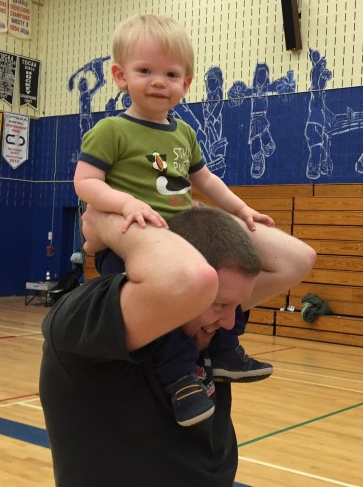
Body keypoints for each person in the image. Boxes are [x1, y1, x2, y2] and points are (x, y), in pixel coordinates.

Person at [73, 13, 276, 427]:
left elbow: (205, 179)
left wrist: (240, 209)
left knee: (230, 277)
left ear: (187, 82)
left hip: (181, 236)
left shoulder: (183, 133)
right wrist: (125, 203)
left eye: (171, 73)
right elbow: (85, 182)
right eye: (145, 71)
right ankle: (180, 379)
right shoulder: (111, 130)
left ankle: (224, 347)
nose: (159, 82)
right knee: (167, 304)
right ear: (119, 75)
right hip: (131, 240)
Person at [39, 205, 316, 486]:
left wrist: (183, 202)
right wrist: (106, 219)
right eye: (219, 303)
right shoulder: (86, 318)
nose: (231, 324)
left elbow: (298, 260)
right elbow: (188, 279)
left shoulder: (206, 325)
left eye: (237, 305)